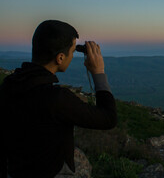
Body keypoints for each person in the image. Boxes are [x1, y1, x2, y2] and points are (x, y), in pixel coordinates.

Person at [0, 20, 117, 178]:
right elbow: (108, 118)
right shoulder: (55, 98)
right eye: (73, 50)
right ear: (60, 58)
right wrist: (98, 72)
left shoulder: (9, 84)